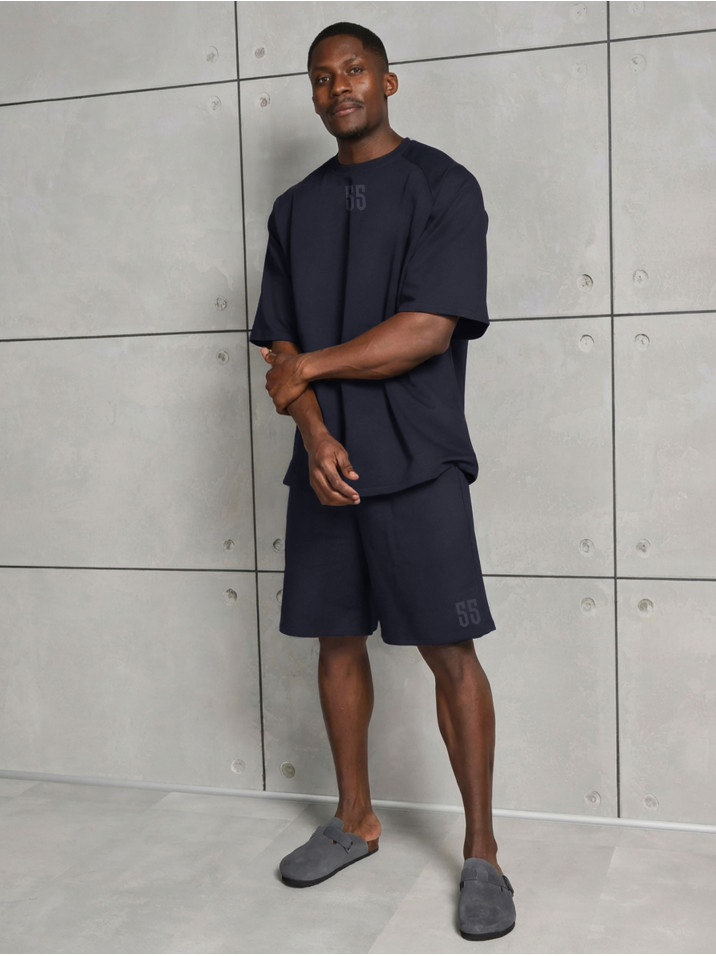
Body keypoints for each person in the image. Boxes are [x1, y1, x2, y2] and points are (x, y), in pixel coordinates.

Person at [250, 22, 516, 942]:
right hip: (326, 464)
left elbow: (427, 329)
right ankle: (355, 819)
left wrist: (312, 369)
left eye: (354, 70)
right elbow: (281, 351)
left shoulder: (445, 187)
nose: (339, 88)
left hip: (418, 458)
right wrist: (316, 434)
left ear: (389, 81)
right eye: (322, 78)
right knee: (335, 645)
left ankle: (482, 852)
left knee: (452, 655)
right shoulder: (294, 210)